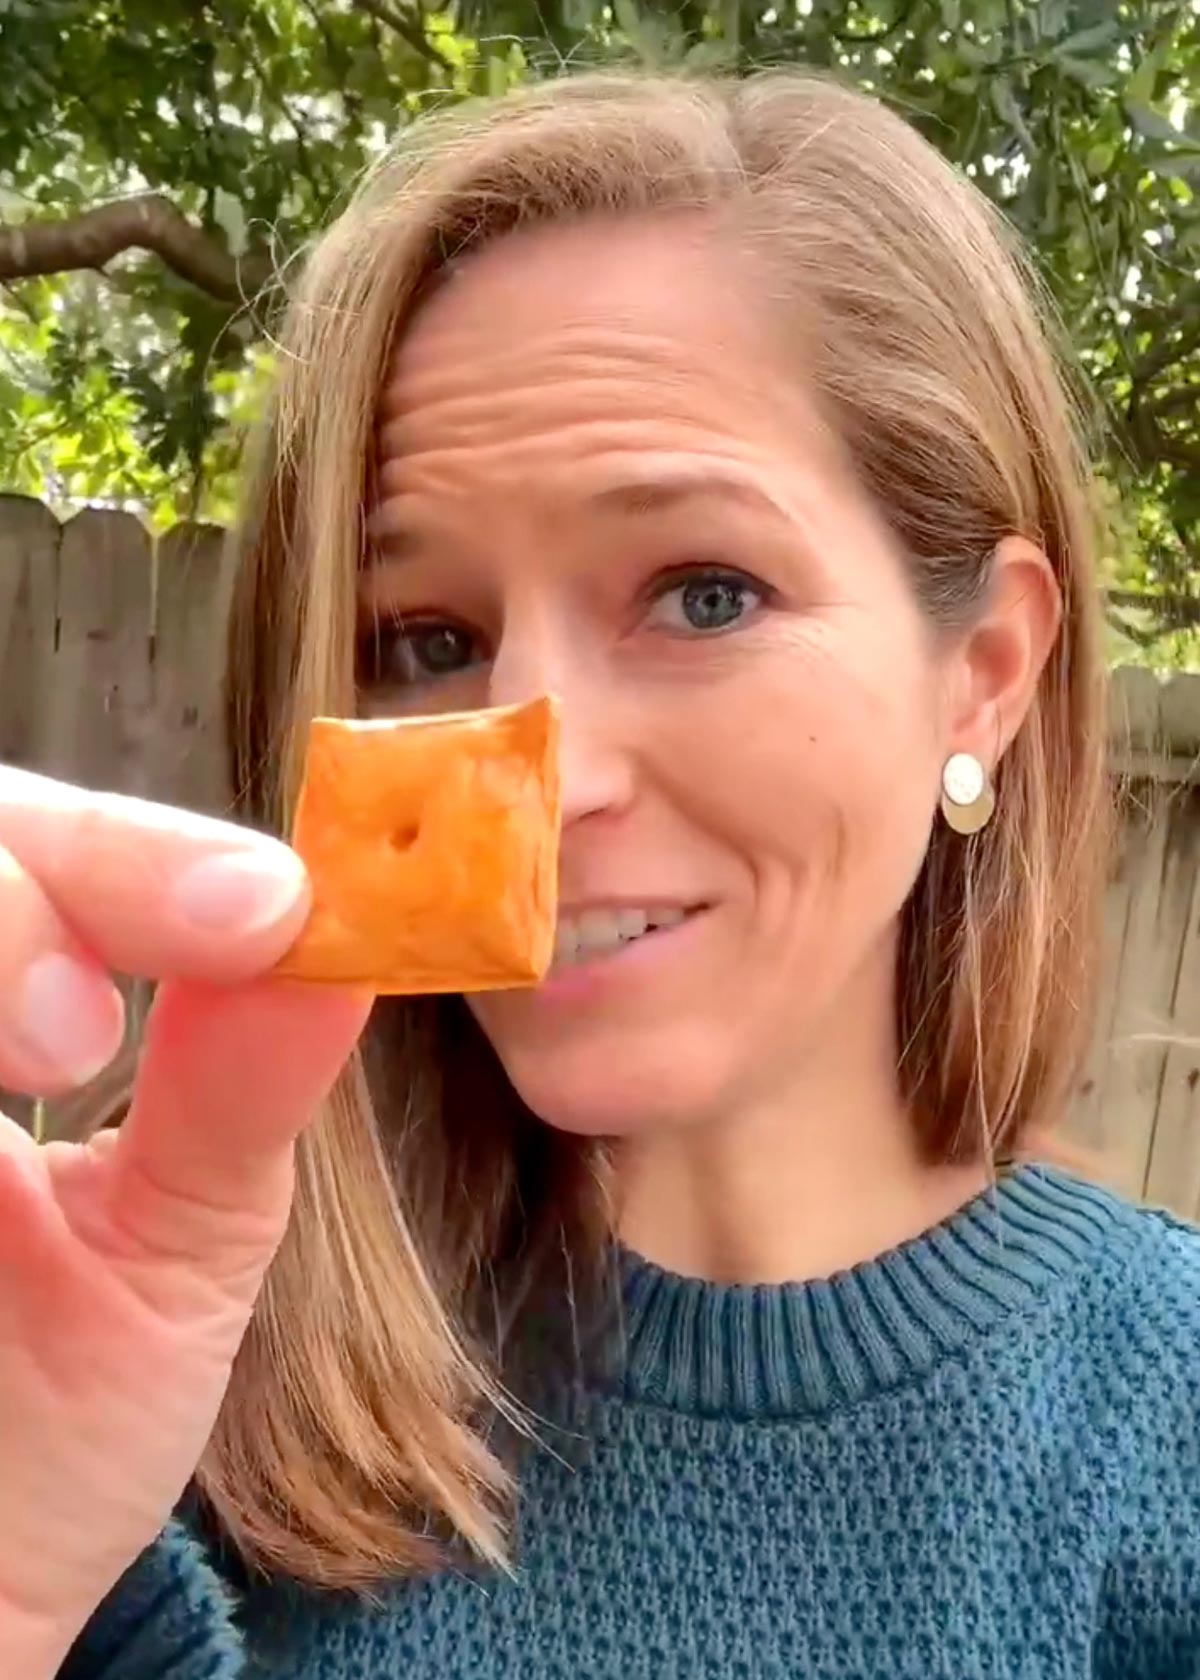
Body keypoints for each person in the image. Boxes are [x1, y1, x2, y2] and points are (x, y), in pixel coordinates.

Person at [1, 67, 1197, 1680]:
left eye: (703, 595)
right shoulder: (148, 1386)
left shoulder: (1159, 1434)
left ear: (983, 666)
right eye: (425, 640)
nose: (542, 784)